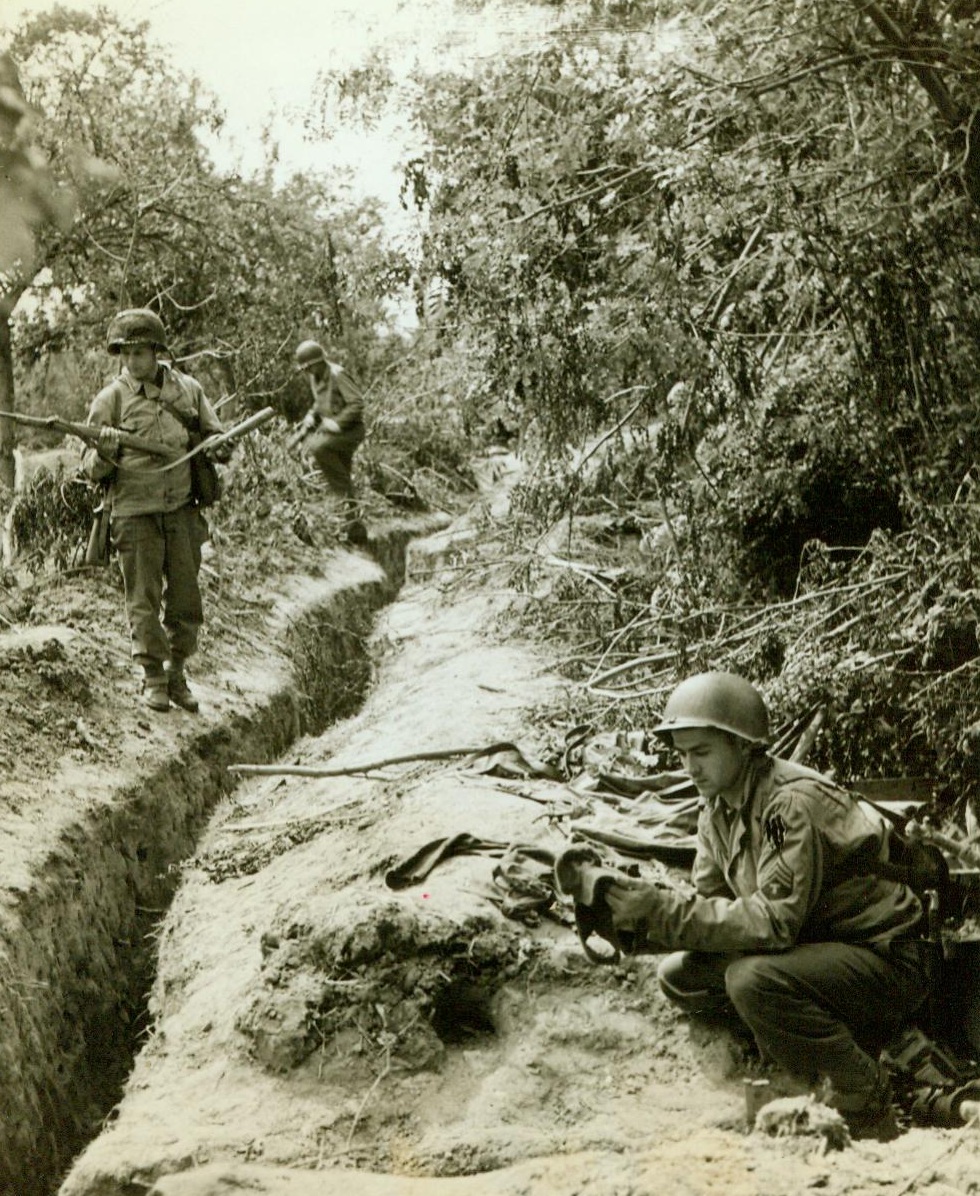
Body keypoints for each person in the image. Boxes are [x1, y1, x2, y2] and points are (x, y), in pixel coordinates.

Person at [604, 671, 932, 1138]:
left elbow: (775, 922)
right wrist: (636, 921)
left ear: (742, 746)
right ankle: (794, 1064)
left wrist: (659, 911)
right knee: (683, 976)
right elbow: (714, 905)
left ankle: (864, 1094)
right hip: (816, 950)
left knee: (750, 979)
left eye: (701, 752)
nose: (689, 768)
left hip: (887, 957)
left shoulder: (787, 806)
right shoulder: (716, 810)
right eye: (681, 755)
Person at [82, 308, 229, 713]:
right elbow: (89, 468)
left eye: (140, 353)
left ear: (157, 352)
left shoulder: (188, 390)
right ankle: (153, 677)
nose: (132, 362)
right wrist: (105, 453)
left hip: (182, 509)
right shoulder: (110, 399)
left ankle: (178, 673)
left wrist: (219, 444)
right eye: (124, 355)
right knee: (142, 599)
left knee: (185, 597)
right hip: (134, 512)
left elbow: (214, 435)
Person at [292, 339, 367, 545]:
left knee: (319, 448)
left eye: (309, 367)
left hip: (350, 431)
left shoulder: (337, 374)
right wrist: (311, 416)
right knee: (342, 476)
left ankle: (351, 518)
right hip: (336, 432)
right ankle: (354, 527)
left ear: (318, 362)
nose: (307, 372)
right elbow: (320, 403)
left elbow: (357, 403)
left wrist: (337, 423)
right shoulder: (316, 379)